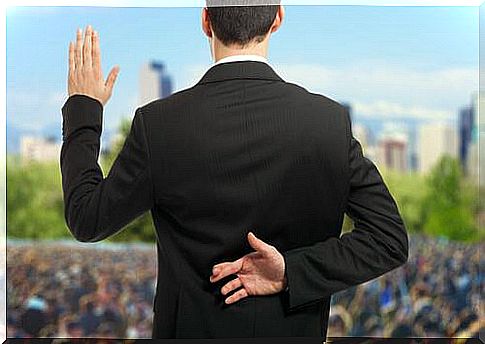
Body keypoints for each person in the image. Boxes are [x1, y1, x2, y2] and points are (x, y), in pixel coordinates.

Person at [60, 0, 409, 339]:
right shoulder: (328, 122)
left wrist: (84, 111)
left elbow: (87, 218)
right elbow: (388, 239)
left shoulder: (159, 125)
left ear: (205, 21)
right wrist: (291, 271)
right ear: (278, 18)